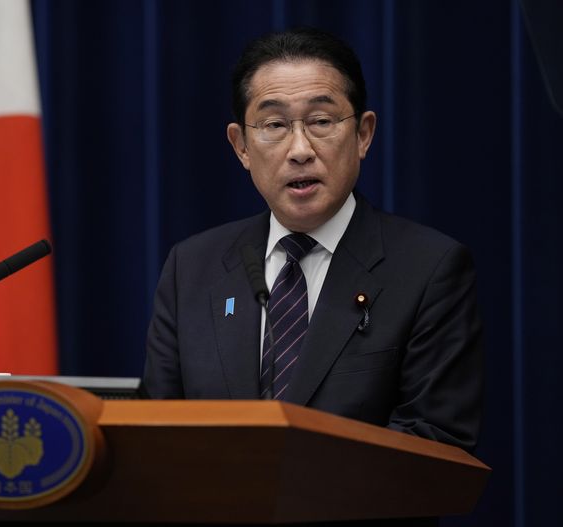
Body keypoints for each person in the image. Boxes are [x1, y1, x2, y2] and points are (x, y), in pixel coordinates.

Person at [143, 27, 483, 454]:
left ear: (363, 134)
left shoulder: (430, 269)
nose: (300, 149)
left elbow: (435, 443)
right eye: (274, 125)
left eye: (321, 121)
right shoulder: (192, 268)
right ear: (241, 146)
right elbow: (156, 433)